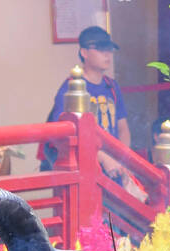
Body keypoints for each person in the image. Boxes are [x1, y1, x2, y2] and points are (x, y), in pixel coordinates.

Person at [42, 25, 132, 183]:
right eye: (100, 49)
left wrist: (121, 158)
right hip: (85, 167)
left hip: (113, 166)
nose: (107, 54)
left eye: (109, 49)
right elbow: (66, 135)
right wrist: (103, 158)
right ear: (84, 53)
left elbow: (123, 128)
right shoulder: (71, 88)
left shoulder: (112, 86)